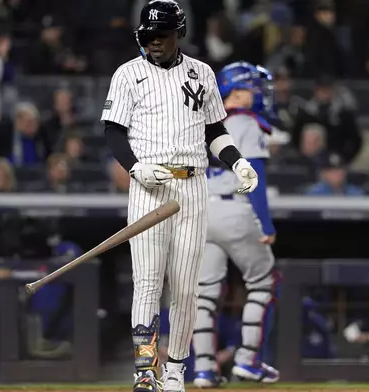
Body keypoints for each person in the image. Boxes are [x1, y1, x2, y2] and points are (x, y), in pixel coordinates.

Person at [100, 2, 258, 392]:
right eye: (149, 35)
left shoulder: (201, 73)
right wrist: (135, 168)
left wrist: (238, 162)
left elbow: (214, 131)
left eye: (162, 35)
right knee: (148, 282)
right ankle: (145, 372)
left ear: (178, 34)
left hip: (192, 186)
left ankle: (175, 370)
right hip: (148, 186)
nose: (154, 42)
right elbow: (114, 133)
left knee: (188, 287)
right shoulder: (128, 74)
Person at [192, 62, 279, 388]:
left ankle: (203, 371)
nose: (257, 94)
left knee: (203, 296)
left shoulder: (200, 120)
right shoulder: (245, 122)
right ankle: (248, 361)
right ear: (236, 91)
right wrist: (266, 225)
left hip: (201, 211)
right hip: (236, 209)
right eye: (252, 88)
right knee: (265, 284)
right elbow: (252, 176)